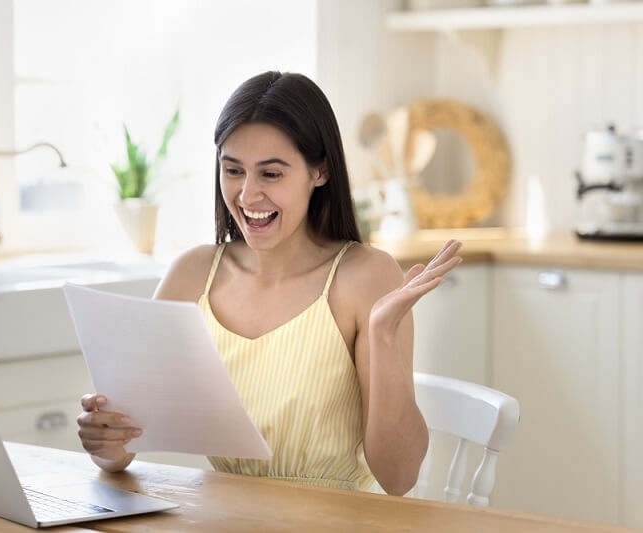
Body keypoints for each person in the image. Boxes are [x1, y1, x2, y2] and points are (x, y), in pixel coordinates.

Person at [77, 71, 462, 496]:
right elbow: (123, 444)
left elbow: (399, 476)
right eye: (234, 170)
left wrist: (382, 335)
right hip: (225, 518)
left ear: (320, 171)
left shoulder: (364, 275)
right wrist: (105, 441)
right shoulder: (192, 275)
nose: (247, 195)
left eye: (271, 174)